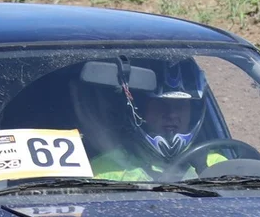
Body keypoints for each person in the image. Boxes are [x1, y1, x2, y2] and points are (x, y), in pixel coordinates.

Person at [90, 59, 228, 182]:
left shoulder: (218, 166)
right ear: (140, 110)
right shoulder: (104, 170)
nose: (172, 114)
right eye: (161, 104)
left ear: (193, 112)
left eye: (181, 105)